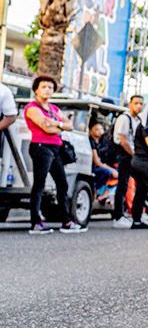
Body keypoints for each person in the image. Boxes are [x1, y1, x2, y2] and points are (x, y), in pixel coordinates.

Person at [22, 75, 86, 234]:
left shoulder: (54, 109)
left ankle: (66, 221)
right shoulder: (32, 107)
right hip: (41, 147)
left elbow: (70, 125)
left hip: (55, 148)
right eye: (43, 87)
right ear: (36, 89)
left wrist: (56, 124)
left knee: (62, 183)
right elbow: (45, 128)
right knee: (39, 184)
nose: (47, 90)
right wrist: (59, 126)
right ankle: (35, 222)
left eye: (50, 87)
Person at [111, 95, 144, 228]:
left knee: (139, 185)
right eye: (136, 103)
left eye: (141, 104)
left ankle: (136, 213)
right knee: (123, 184)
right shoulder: (124, 118)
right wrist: (134, 154)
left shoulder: (139, 120)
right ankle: (118, 216)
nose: (138, 106)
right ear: (129, 104)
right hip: (125, 154)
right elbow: (123, 140)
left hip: (135, 155)